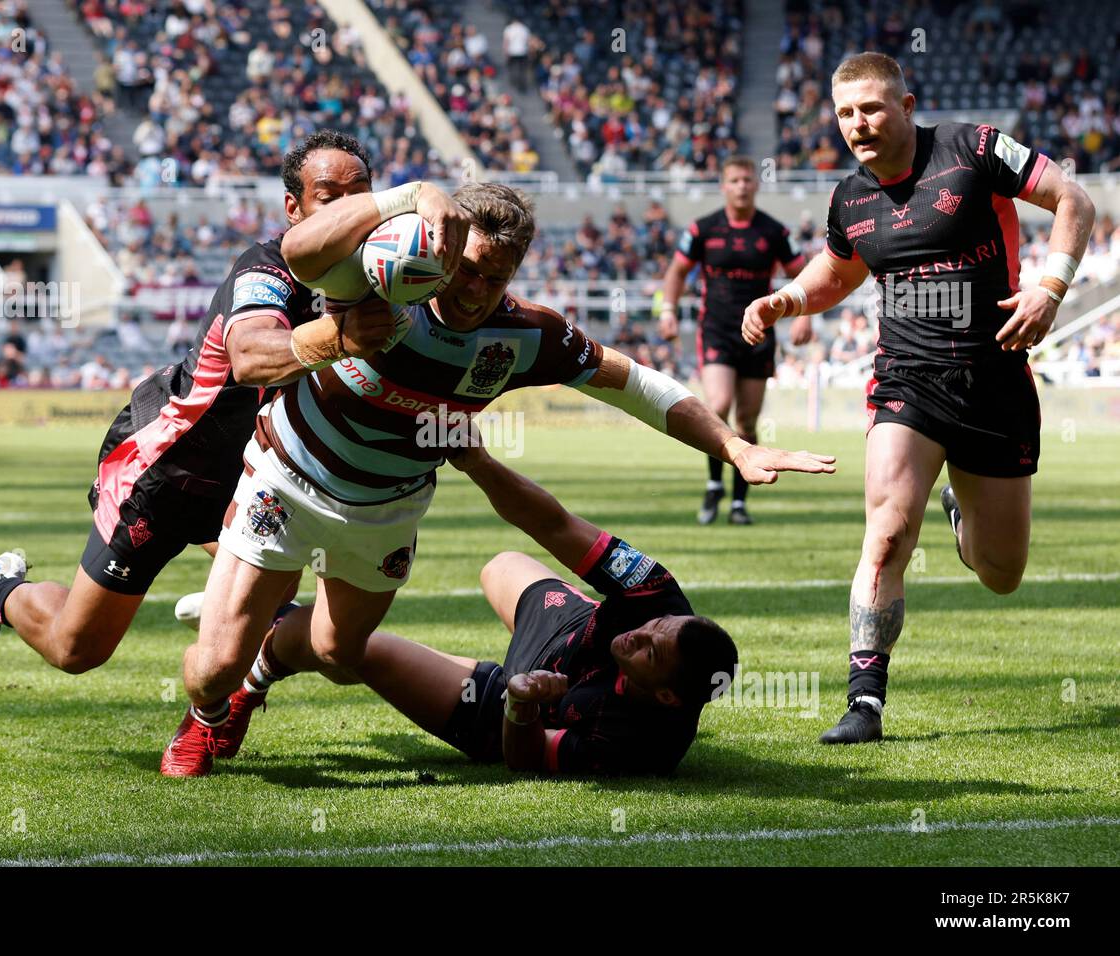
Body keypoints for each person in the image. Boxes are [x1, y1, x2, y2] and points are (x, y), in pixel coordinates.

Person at [159, 180, 837, 777]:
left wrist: (731, 446)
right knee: (211, 666)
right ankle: (212, 709)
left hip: (387, 509)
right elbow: (297, 250)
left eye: (499, 277)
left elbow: (637, 385)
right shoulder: (376, 279)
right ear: (446, 251)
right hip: (289, 479)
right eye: (471, 271)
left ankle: (258, 671)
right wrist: (406, 194)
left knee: (339, 655)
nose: (478, 293)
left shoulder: (525, 336)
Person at [0, 131, 470, 674]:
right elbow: (249, 357)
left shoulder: (381, 274)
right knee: (75, 650)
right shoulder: (265, 267)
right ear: (294, 209)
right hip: (169, 466)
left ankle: (230, 635)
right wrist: (341, 335)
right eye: (328, 197)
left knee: (285, 597)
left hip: (251, 475)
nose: (347, 209)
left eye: (359, 192)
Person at [742, 52, 1094, 744]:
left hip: (995, 383)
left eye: (871, 108)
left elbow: (1073, 201)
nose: (858, 124)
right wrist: (786, 298)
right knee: (887, 535)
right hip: (907, 381)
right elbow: (836, 273)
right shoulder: (851, 197)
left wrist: (1049, 290)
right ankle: (864, 701)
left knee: (1001, 574)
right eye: (845, 113)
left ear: (906, 105)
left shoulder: (975, 149)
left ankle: (964, 516)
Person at [305, 436, 739, 775]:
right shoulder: (656, 590)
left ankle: (265, 657)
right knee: (501, 564)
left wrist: (522, 703)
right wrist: (480, 464)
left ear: (666, 695)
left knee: (355, 649)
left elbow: (525, 759)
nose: (638, 633)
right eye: (656, 625)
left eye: (650, 651)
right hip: (569, 627)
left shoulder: (638, 745)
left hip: (515, 701)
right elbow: (556, 525)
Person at [659, 156, 810, 525]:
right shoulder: (703, 229)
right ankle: (714, 485)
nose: (742, 185)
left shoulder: (773, 232)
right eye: (735, 180)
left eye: (747, 180)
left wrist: (804, 315)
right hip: (717, 329)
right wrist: (667, 310)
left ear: (756, 185)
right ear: (724, 186)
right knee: (719, 405)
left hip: (759, 332)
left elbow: (801, 274)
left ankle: (739, 502)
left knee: (746, 419)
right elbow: (677, 270)